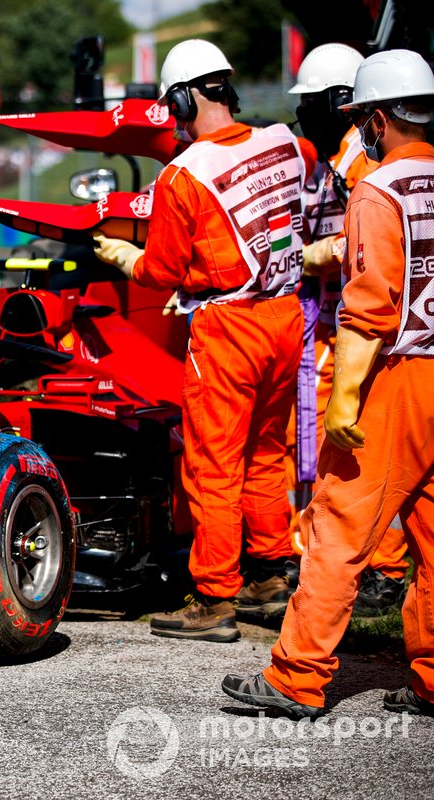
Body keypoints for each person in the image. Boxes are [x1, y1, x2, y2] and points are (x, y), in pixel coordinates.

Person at [222, 48, 434, 720]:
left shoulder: (379, 189)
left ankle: (296, 678)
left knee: (337, 531)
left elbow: (369, 306)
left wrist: (345, 397)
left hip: (396, 377)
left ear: (375, 119)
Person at [93, 39, 307, 642]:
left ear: (183, 97)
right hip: (285, 316)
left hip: (229, 326)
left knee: (213, 465)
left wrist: (127, 257)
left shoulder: (182, 176)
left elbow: (161, 270)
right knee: (268, 452)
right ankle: (272, 577)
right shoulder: (285, 144)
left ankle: (215, 597)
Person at [290, 43, 407, 617]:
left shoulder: (365, 161)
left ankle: (378, 572)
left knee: (354, 464)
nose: (301, 114)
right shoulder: (340, 158)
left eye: (311, 103)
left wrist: (328, 252)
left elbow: (378, 241)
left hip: (370, 330)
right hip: (372, 326)